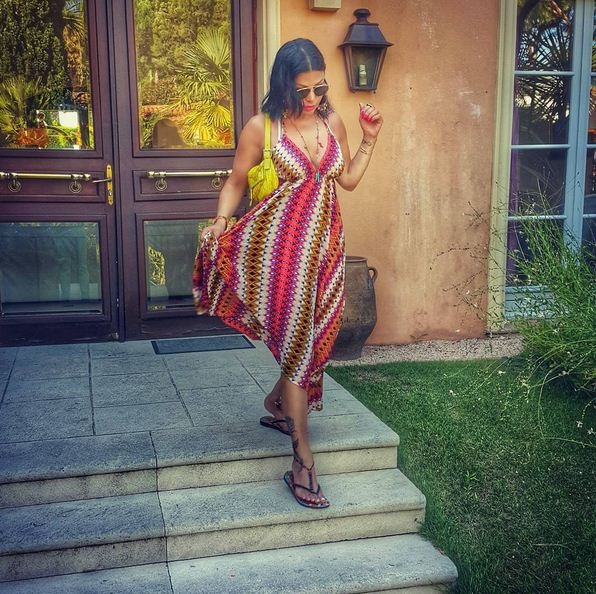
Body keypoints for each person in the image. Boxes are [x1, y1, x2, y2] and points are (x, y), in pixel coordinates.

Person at [193, 38, 382, 509]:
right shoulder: (263, 128)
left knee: (319, 340)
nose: (313, 98)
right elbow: (236, 181)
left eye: (320, 88)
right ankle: (302, 462)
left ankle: (279, 405)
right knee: (300, 347)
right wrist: (221, 221)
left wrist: (369, 140)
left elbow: (347, 180)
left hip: (327, 251)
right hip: (284, 256)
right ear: (283, 84)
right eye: (303, 90)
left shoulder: (331, 122)